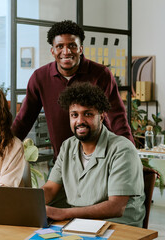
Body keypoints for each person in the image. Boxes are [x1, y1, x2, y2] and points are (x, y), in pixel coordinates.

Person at [12, 20, 134, 162]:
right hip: (62, 161)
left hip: (100, 159)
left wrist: (130, 156)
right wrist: (3, 150)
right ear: (53, 51)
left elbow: (118, 118)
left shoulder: (100, 74)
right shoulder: (40, 77)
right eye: (60, 46)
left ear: (81, 49)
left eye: (72, 46)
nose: (66, 51)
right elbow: (23, 120)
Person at [42, 82, 145, 227]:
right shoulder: (67, 146)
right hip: (78, 224)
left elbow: (116, 207)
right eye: (74, 115)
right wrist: (31, 204)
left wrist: (63, 213)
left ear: (102, 116)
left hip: (117, 227)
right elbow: (50, 189)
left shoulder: (122, 149)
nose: (80, 121)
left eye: (88, 114)